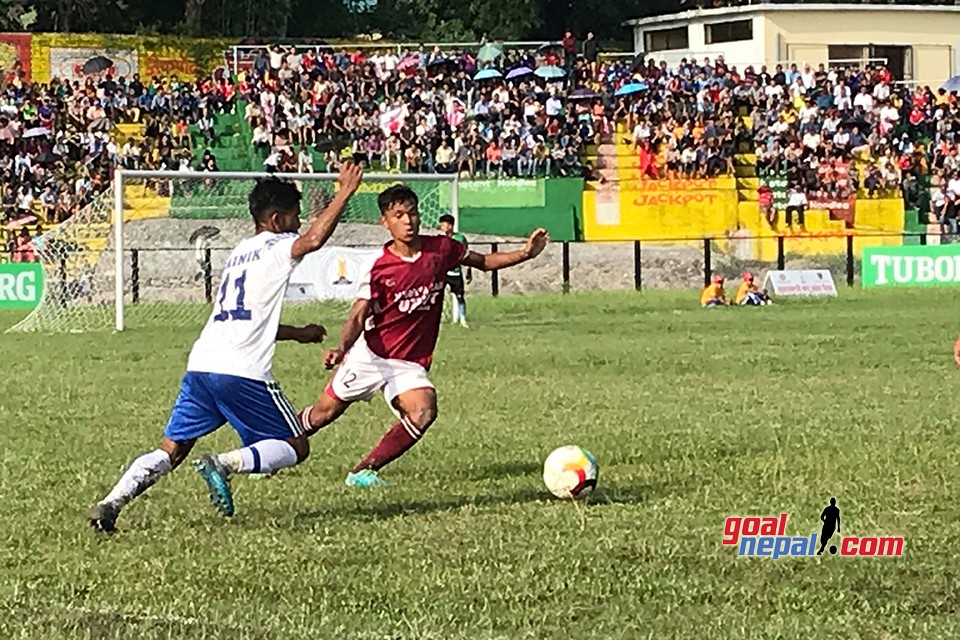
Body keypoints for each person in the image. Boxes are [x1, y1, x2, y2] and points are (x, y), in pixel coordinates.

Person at [88, 163, 365, 533]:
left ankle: (111, 503)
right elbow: (312, 241)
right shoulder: (279, 245)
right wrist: (344, 192)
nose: (299, 224)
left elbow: (246, 318)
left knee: (172, 449)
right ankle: (224, 464)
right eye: (295, 217)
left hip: (201, 366)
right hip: (242, 371)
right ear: (277, 219)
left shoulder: (239, 252)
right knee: (296, 445)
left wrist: (298, 333)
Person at [296, 184, 550, 487]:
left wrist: (525, 253)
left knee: (424, 410)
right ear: (385, 222)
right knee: (323, 414)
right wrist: (342, 348)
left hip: (409, 363)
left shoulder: (441, 249)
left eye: (413, 213)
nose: (408, 221)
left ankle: (362, 471)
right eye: (399, 215)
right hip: (371, 355)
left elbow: (483, 262)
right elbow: (359, 313)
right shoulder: (377, 265)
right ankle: (269, 448)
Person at [438, 213, 470, 327]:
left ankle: (462, 319)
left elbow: (466, 255)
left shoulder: (459, 238)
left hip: (455, 273)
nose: (442, 226)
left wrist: (468, 271)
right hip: (443, 273)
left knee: (459, 296)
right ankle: (438, 319)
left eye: (444, 224)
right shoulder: (440, 240)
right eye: (441, 224)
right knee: (437, 296)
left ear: (450, 226)